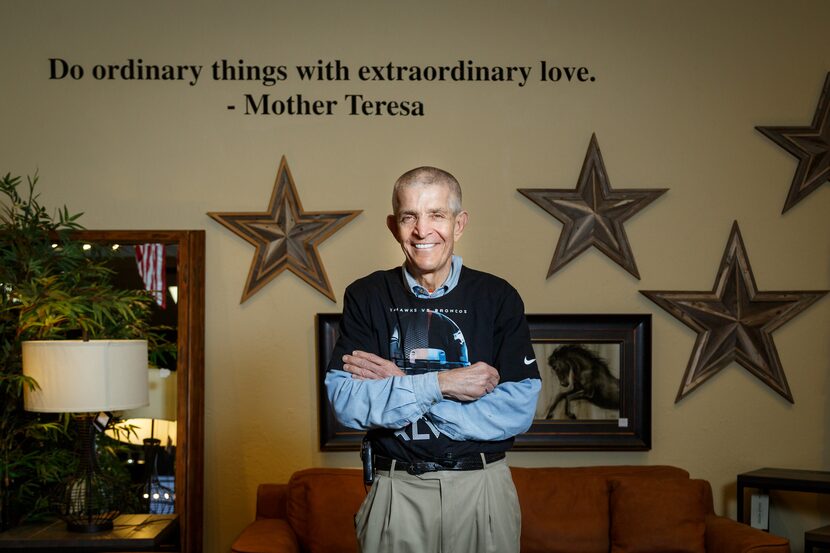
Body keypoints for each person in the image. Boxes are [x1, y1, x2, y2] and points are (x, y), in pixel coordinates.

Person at [325, 166, 541, 553]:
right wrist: (442, 384)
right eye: (410, 216)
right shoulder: (366, 296)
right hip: (397, 491)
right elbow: (346, 402)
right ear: (394, 225)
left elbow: (517, 410)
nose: (423, 231)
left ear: (459, 224)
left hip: (482, 489)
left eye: (437, 215)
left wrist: (400, 385)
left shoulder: (498, 297)